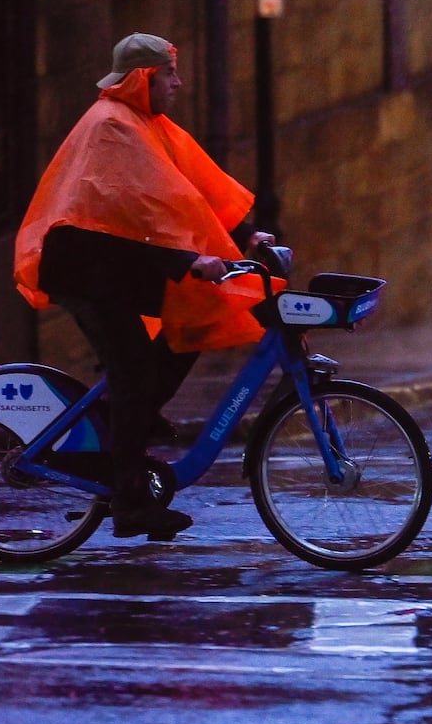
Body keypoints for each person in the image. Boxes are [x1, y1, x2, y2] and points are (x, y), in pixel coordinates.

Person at [14, 33, 274, 537]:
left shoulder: (148, 127)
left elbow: (188, 189)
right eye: (169, 75)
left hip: (116, 266)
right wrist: (186, 259)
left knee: (192, 326)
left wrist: (244, 234)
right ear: (144, 79)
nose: (179, 83)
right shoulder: (112, 129)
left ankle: (121, 433)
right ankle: (131, 500)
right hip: (86, 270)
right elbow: (127, 218)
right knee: (132, 366)